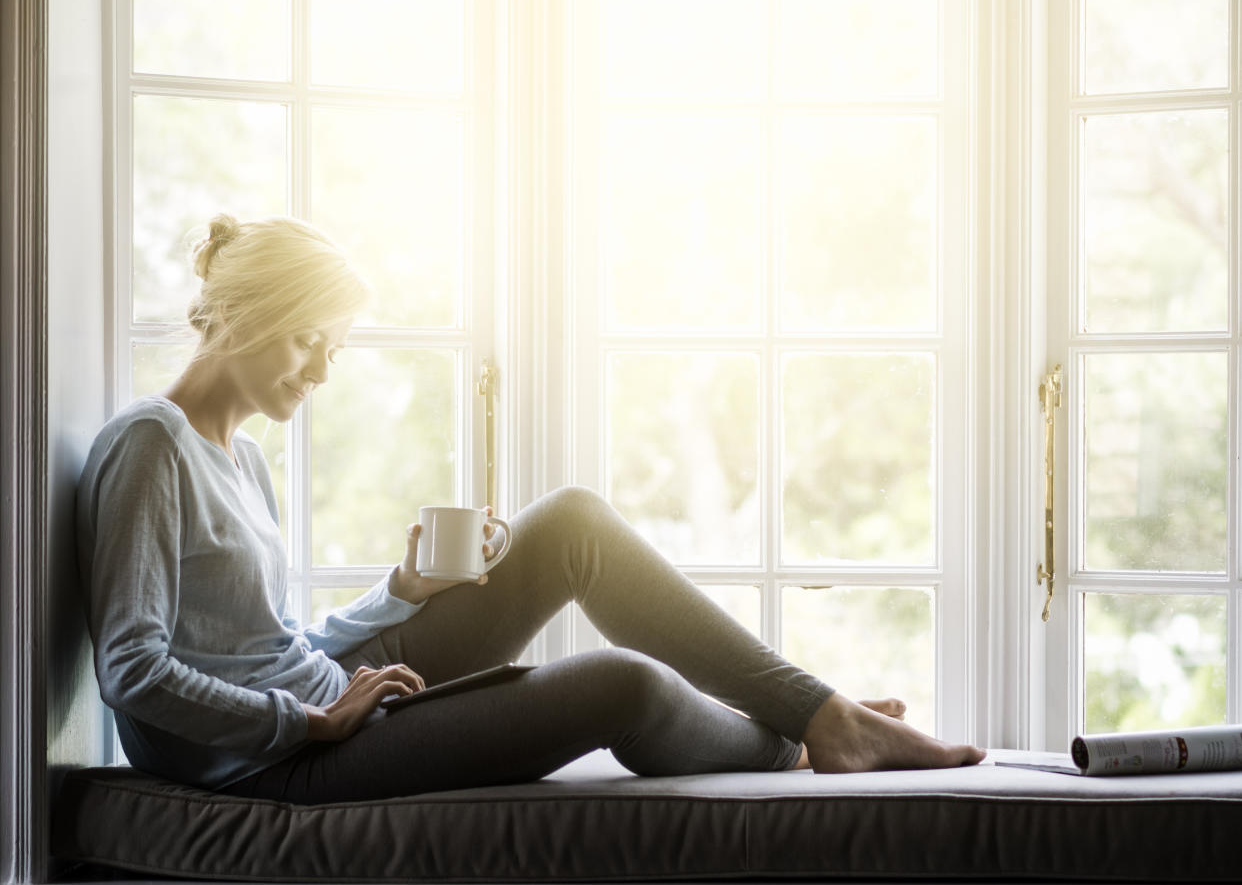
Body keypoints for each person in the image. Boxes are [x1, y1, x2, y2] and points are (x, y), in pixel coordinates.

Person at [77, 213, 985, 804]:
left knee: (573, 522)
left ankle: (816, 715)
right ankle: (810, 740)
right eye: (309, 341)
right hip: (283, 758)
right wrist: (310, 726)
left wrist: (401, 591)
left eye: (334, 350)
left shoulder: (239, 459)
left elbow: (273, 647)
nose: (320, 372)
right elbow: (134, 676)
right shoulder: (150, 445)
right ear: (239, 317)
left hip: (328, 705)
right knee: (619, 684)